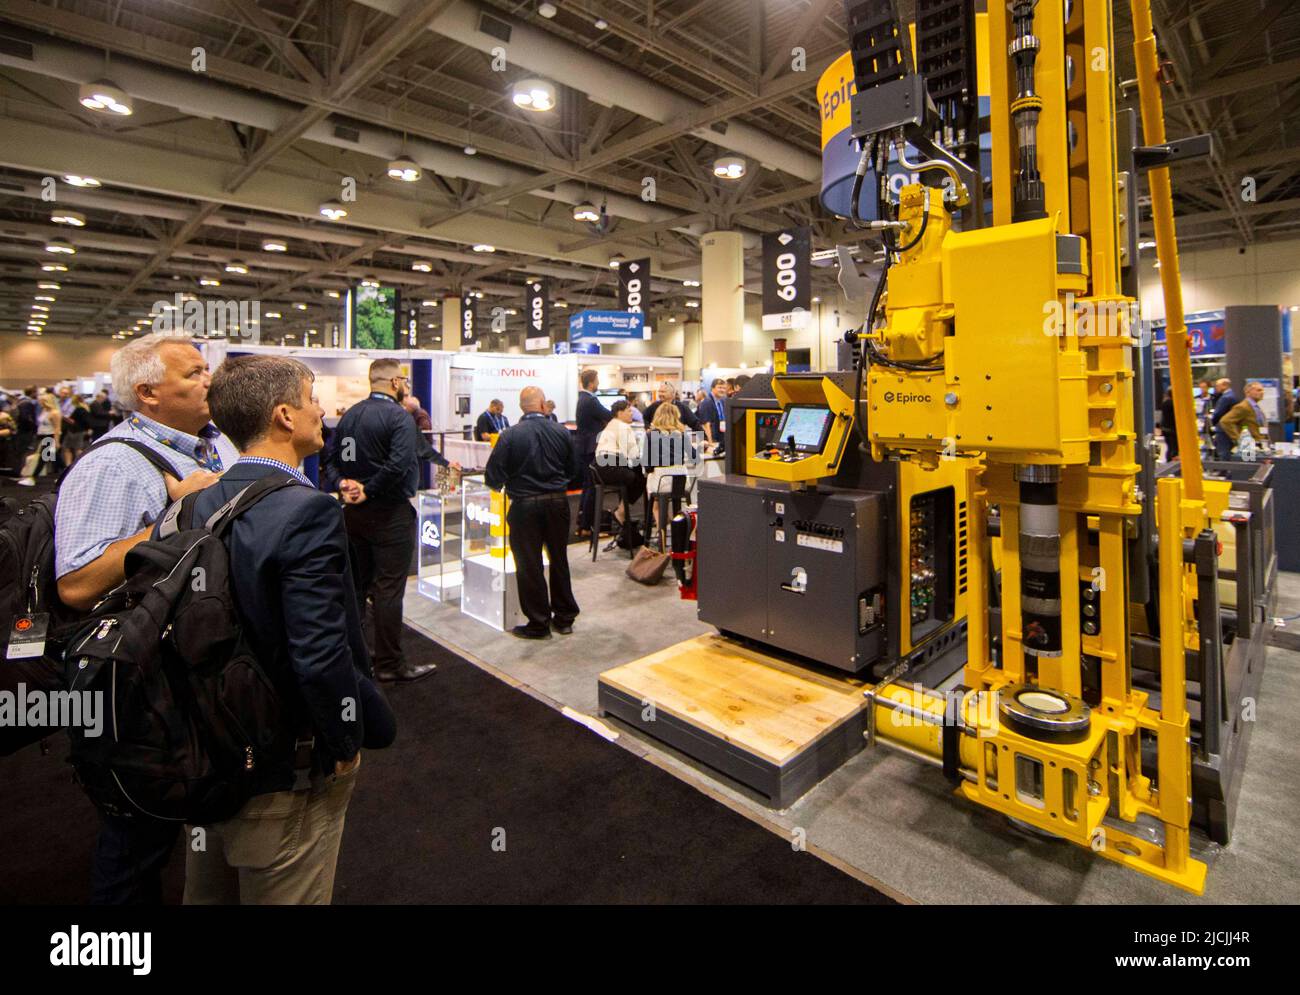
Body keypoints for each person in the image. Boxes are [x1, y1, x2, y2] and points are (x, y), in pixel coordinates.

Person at [183, 355, 395, 905]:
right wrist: (344, 740)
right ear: (284, 415)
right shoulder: (305, 511)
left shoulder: (200, 500)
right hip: (282, 763)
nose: (321, 411)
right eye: (311, 398)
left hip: (210, 745)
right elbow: (320, 653)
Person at [55, 331, 233, 904]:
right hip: (136, 685)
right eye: (194, 374)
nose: (209, 380)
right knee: (135, 842)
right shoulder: (114, 466)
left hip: (180, 672)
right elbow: (77, 584)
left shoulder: (202, 447)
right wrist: (174, 518)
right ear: (148, 393)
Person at [321, 359, 435, 684]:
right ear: (396, 382)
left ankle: (357, 656)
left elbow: (335, 459)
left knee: (357, 587)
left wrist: (343, 484)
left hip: (354, 515)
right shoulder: (400, 417)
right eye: (405, 382)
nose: (406, 387)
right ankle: (389, 662)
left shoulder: (352, 415)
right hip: (389, 515)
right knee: (388, 590)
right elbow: (399, 464)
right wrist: (368, 491)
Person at [484, 386, 579, 640]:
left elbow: (493, 476)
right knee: (559, 559)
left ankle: (539, 623)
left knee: (529, 564)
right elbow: (573, 470)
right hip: (557, 503)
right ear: (541, 404)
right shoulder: (561, 432)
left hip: (524, 505)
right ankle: (564, 618)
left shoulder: (510, 435)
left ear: (521, 406)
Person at [594, 399, 644, 540]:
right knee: (640, 478)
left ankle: (623, 512)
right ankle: (621, 512)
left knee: (634, 474)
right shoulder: (623, 427)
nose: (631, 414)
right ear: (620, 413)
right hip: (610, 467)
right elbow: (632, 455)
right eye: (629, 411)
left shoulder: (611, 424)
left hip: (600, 468)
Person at [643, 400, 697, 531]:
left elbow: (648, 466)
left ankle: (661, 534)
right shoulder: (681, 434)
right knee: (673, 497)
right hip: (681, 482)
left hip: (661, 482)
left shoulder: (651, 435)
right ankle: (676, 532)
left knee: (656, 500)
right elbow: (694, 457)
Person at [575, 367, 612, 538]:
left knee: (587, 486)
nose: (598, 384)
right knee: (593, 487)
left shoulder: (582, 398)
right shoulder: (590, 400)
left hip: (584, 447)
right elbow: (608, 415)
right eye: (597, 381)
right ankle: (588, 526)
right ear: (591, 383)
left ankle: (582, 524)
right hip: (591, 448)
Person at [18, 393, 62, 485]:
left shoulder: (55, 413)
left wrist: (56, 441)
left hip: (50, 437)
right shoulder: (45, 411)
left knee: (44, 458)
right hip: (43, 436)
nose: (40, 403)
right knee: (54, 459)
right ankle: (60, 477)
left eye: (42, 401)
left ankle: (33, 478)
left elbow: (57, 428)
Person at [1217, 381, 1270, 459]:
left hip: (1259, 446)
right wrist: (1239, 439)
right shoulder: (1243, 407)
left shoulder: (1256, 407)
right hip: (1249, 448)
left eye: (1262, 390)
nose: (1262, 392)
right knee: (1250, 468)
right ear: (1248, 392)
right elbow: (1225, 421)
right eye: (1258, 390)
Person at [696, 378, 729, 453]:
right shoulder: (706, 402)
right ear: (712, 388)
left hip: (722, 436)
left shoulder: (723, 400)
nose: (722, 390)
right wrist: (710, 443)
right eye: (719, 387)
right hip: (713, 439)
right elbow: (706, 424)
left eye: (724, 388)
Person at [61, 394, 93, 466]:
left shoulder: (78, 409)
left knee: (69, 448)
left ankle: (70, 465)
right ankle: (78, 465)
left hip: (74, 431)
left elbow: (74, 421)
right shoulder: (85, 408)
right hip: (81, 431)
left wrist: (66, 419)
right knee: (78, 448)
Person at [1160, 387, 1179, 461]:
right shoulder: (1173, 404)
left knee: (1170, 447)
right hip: (1172, 429)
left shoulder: (1165, 403)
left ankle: (1169, 462)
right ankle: (1172, 463)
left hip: (1165, 428)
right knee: (1173, 448)